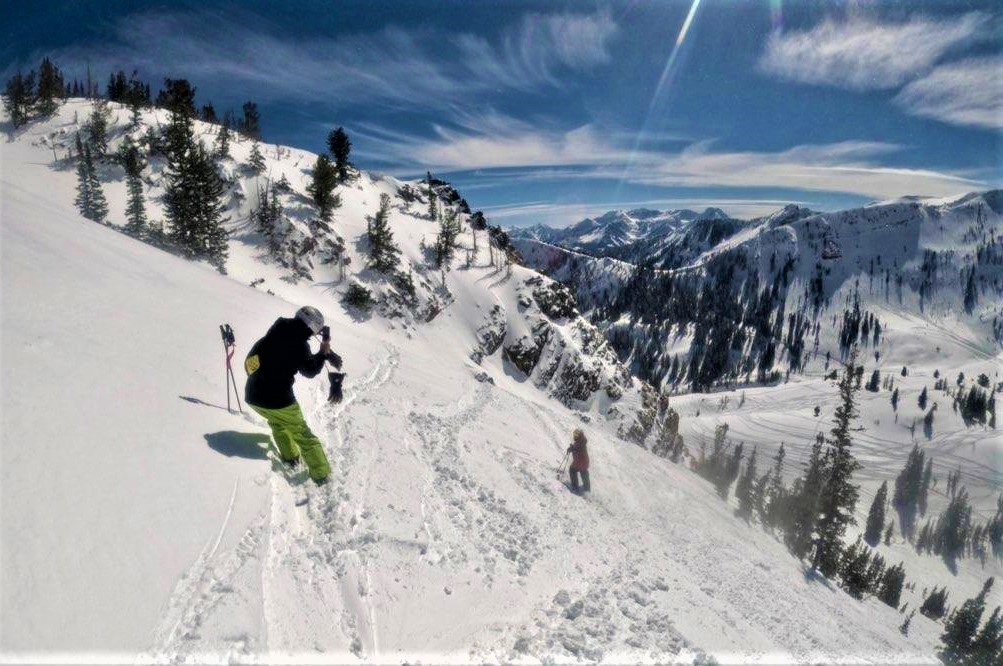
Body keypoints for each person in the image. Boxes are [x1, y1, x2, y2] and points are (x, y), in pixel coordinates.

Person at [244, 306, 341, 484]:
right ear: (312, 326)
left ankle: (291, 457)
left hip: (253, 396)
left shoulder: (276, 331)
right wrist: (323, 353)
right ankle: (322, 475)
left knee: (278, 423)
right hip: (279, 399)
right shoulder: (299, 344)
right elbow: (310, 370)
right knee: (303, 435)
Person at [567, 429, 590, 493]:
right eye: (574, 434)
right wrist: (573, 448)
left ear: (580, 435)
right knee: (584, 472)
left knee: (572, 470)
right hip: (583, 461)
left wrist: (572, 449)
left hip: (580, 461)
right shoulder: (581, 441)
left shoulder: (580, 441)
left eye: (577, 434)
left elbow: (577, 448)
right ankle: (587, 488)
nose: (575, 436)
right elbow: (577, 448)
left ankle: (575, 487)